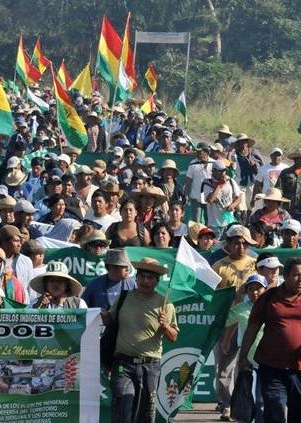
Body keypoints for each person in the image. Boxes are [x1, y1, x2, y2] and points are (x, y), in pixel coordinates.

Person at [239, 257, 301, 423]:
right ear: (287, 275)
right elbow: (252, 327)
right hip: (273, 368)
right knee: (275, 408)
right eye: (296, 275)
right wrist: (243, 357)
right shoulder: (268, 298)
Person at [107, 258, 179, 423]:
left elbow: (173, 337)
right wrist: (89, 314)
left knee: (145, 415)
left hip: (150, 366)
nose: (145, 281)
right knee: (123, 404)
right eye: (142, 276)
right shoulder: (124, 297)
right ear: (136, 278)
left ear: (156, 282)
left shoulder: (165, 304)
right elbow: (110, 320)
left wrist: (166, 325)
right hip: (122, 363)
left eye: (150, 277)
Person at [211, 224, 258, 419]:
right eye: (236, 243)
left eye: (244, 243)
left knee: (247, 366)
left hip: (251, 323)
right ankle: (227, 403)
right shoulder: (219, 266)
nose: (240, 247)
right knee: (224, 367)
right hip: (227, 322)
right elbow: (212, 296)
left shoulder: (254, 265)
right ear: (228, 244)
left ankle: (245, 404)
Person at [224, 274, 268, 423]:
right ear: (246, 291)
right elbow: (223, 321)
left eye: (258, 288)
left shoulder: (273, 307)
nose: (255, 292)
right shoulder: (240, 309)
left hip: (270, 361)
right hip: (248, 361)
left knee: (265, 401)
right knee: (249, 401)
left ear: (265, 289)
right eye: (251, 289)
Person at [277, 148, 301, 246]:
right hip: (288, 209)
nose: (300, 160)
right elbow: (278, 189)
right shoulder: (286, 173)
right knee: (287, 234)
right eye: (298, 158)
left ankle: (299, 256)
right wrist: (277, 206)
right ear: (294, 159)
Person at [203, 160, 242, 238]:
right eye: (220, 171)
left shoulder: (230, 181)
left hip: (229, 222)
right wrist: (219, 185)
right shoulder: (207, 183)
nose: (223, 173)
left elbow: (239, 197)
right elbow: (210, 199)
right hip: (214, 224)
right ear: (213, 171)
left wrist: (233, 205)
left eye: (224, 171)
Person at [0, 225, 33, 302]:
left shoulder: (26, 261)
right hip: (0, 306)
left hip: (22, 306)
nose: (19, 244)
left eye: (20, 241)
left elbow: (30, 288)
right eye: (15, 241)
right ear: (4, 242)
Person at [185, 143, 213, 224]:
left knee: (210, 220)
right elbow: (188, 180)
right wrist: (187, 194)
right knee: (196, 221)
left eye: (200, 152)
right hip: (196, 197)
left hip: (210, 198)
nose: (198, 154)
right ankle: (196, 236)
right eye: (197, 152)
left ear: (206, 152)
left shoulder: (213, 163)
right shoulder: (193, 164)